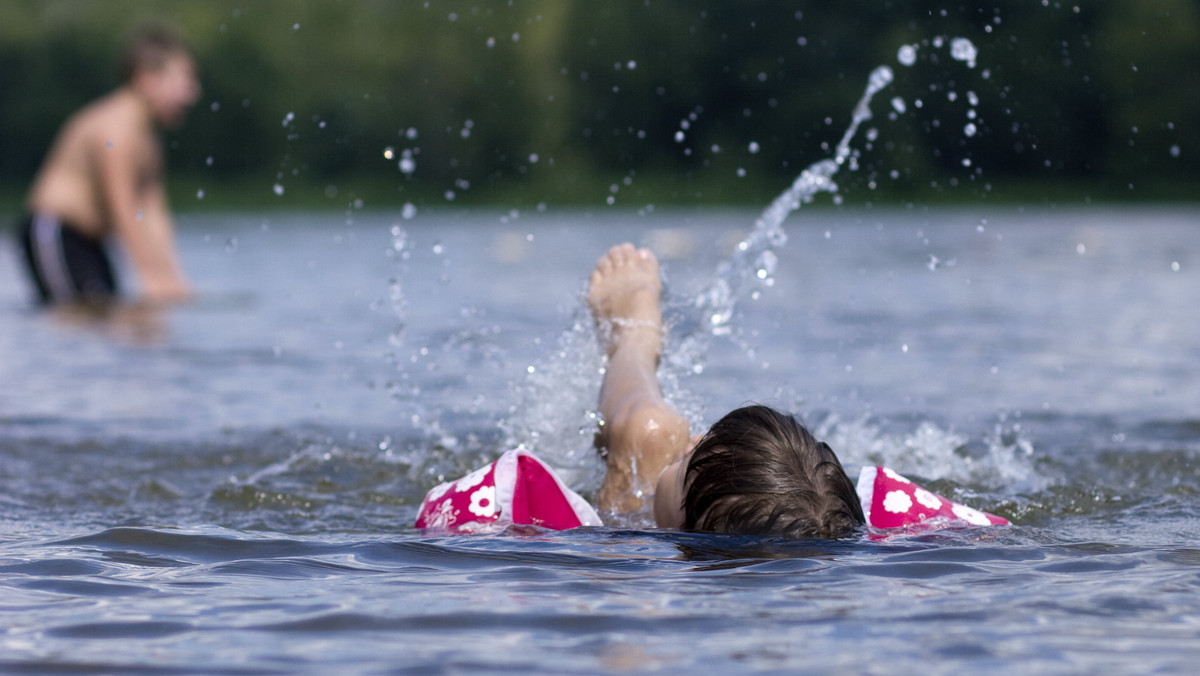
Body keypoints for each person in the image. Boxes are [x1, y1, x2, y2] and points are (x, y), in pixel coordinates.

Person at [587, 243, 865, 538]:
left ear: (682, 527)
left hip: (636, 479)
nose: (691, 442)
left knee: (650, 431)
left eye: (686, 461)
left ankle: (635, 337)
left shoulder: (627, 566)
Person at [17, 23, 200, 305]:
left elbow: (152, 213)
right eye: (183, 81)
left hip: (89, 242)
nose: (192, 94)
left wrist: (172, 277)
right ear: (147, 80)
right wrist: (149, 276)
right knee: (79, 314)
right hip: (54, 231)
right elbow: (122, 206)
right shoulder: (116, 129)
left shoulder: (149, 140)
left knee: (107, 312)